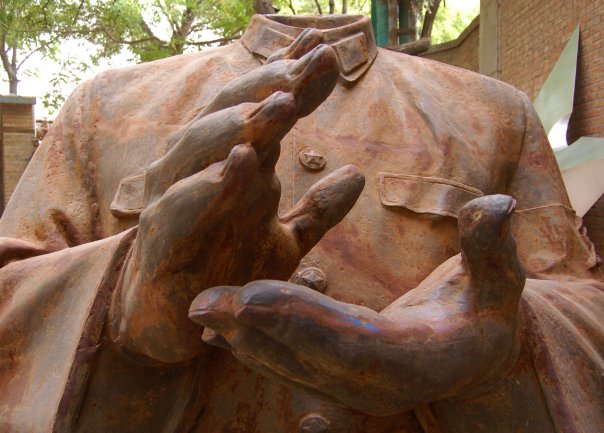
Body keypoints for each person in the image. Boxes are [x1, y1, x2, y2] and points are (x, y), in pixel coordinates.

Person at [0, 13, 600, 433]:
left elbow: (584, 303)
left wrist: (506, 348)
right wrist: (121, 309)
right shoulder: (106, 106)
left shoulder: (495, 113)